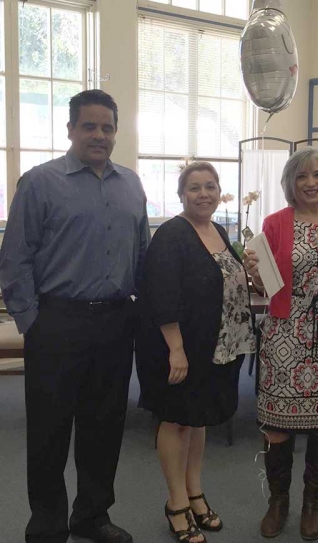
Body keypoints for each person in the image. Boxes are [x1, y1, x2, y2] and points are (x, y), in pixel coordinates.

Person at [0, 90, 150, 543]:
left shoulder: (132, 184)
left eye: (107, 127)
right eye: (89, 126)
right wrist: (32, 321)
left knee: (103, 429)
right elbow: (15, 258)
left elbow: (142, 254)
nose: (99, 135)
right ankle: (47, 523)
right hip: (56, 324)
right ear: (70, 130)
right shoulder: (40, 182)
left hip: (114, 324)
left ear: (116, 132)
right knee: (49, 430)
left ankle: (92, 516)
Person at [136, 162, 253, 543]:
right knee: (176, 420)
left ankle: (195, 492)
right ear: (181, 195)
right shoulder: (171, 235)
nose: (204, 194)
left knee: (198, 419)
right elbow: (162, 296)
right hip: (179, 348)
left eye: (210, 186)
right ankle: (175, 504)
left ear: (219, 191)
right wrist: (176, 350)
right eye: (194, 188)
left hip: (214, 347)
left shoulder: (218, 230)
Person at [243, 147, 318, 540]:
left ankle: (312, 502)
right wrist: (253, 273)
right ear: (291, 181)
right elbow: (265, 287)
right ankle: (278, 501)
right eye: (303, 176)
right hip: (284, 332)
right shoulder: (274, 223)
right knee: (277, 426)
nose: (311, 183)